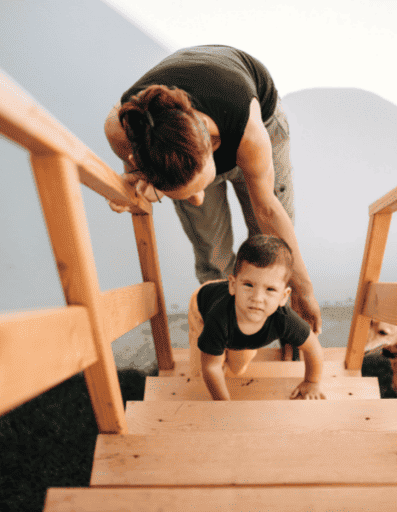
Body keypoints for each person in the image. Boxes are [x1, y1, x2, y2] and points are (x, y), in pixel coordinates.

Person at [104, 44, 322, 339]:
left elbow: (268, 209)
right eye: (185, 196)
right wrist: (138, 187)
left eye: (198, 188)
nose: (200, 200)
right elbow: (144, 180)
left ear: (214, 147)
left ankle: (282, 331)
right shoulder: (121, 132)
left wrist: (304, 289)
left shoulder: (248, 131)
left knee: (270, 249)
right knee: (210, 251)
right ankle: (227, 333)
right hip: (195, 131)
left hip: (256, 120)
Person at [188, 234, 326, 401]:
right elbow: (211, 367)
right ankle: (219, 346)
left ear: (284, 296)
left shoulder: (284, 319)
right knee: (200, 371)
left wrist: (312, 381)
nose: (257, 298)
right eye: (248, 285)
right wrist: (224, 404)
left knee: (237, 369)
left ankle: (226, 345)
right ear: (233, 285)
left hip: (232, 317)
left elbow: (313, 348)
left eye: (270, 289)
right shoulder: (218, 319)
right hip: (202, 304)